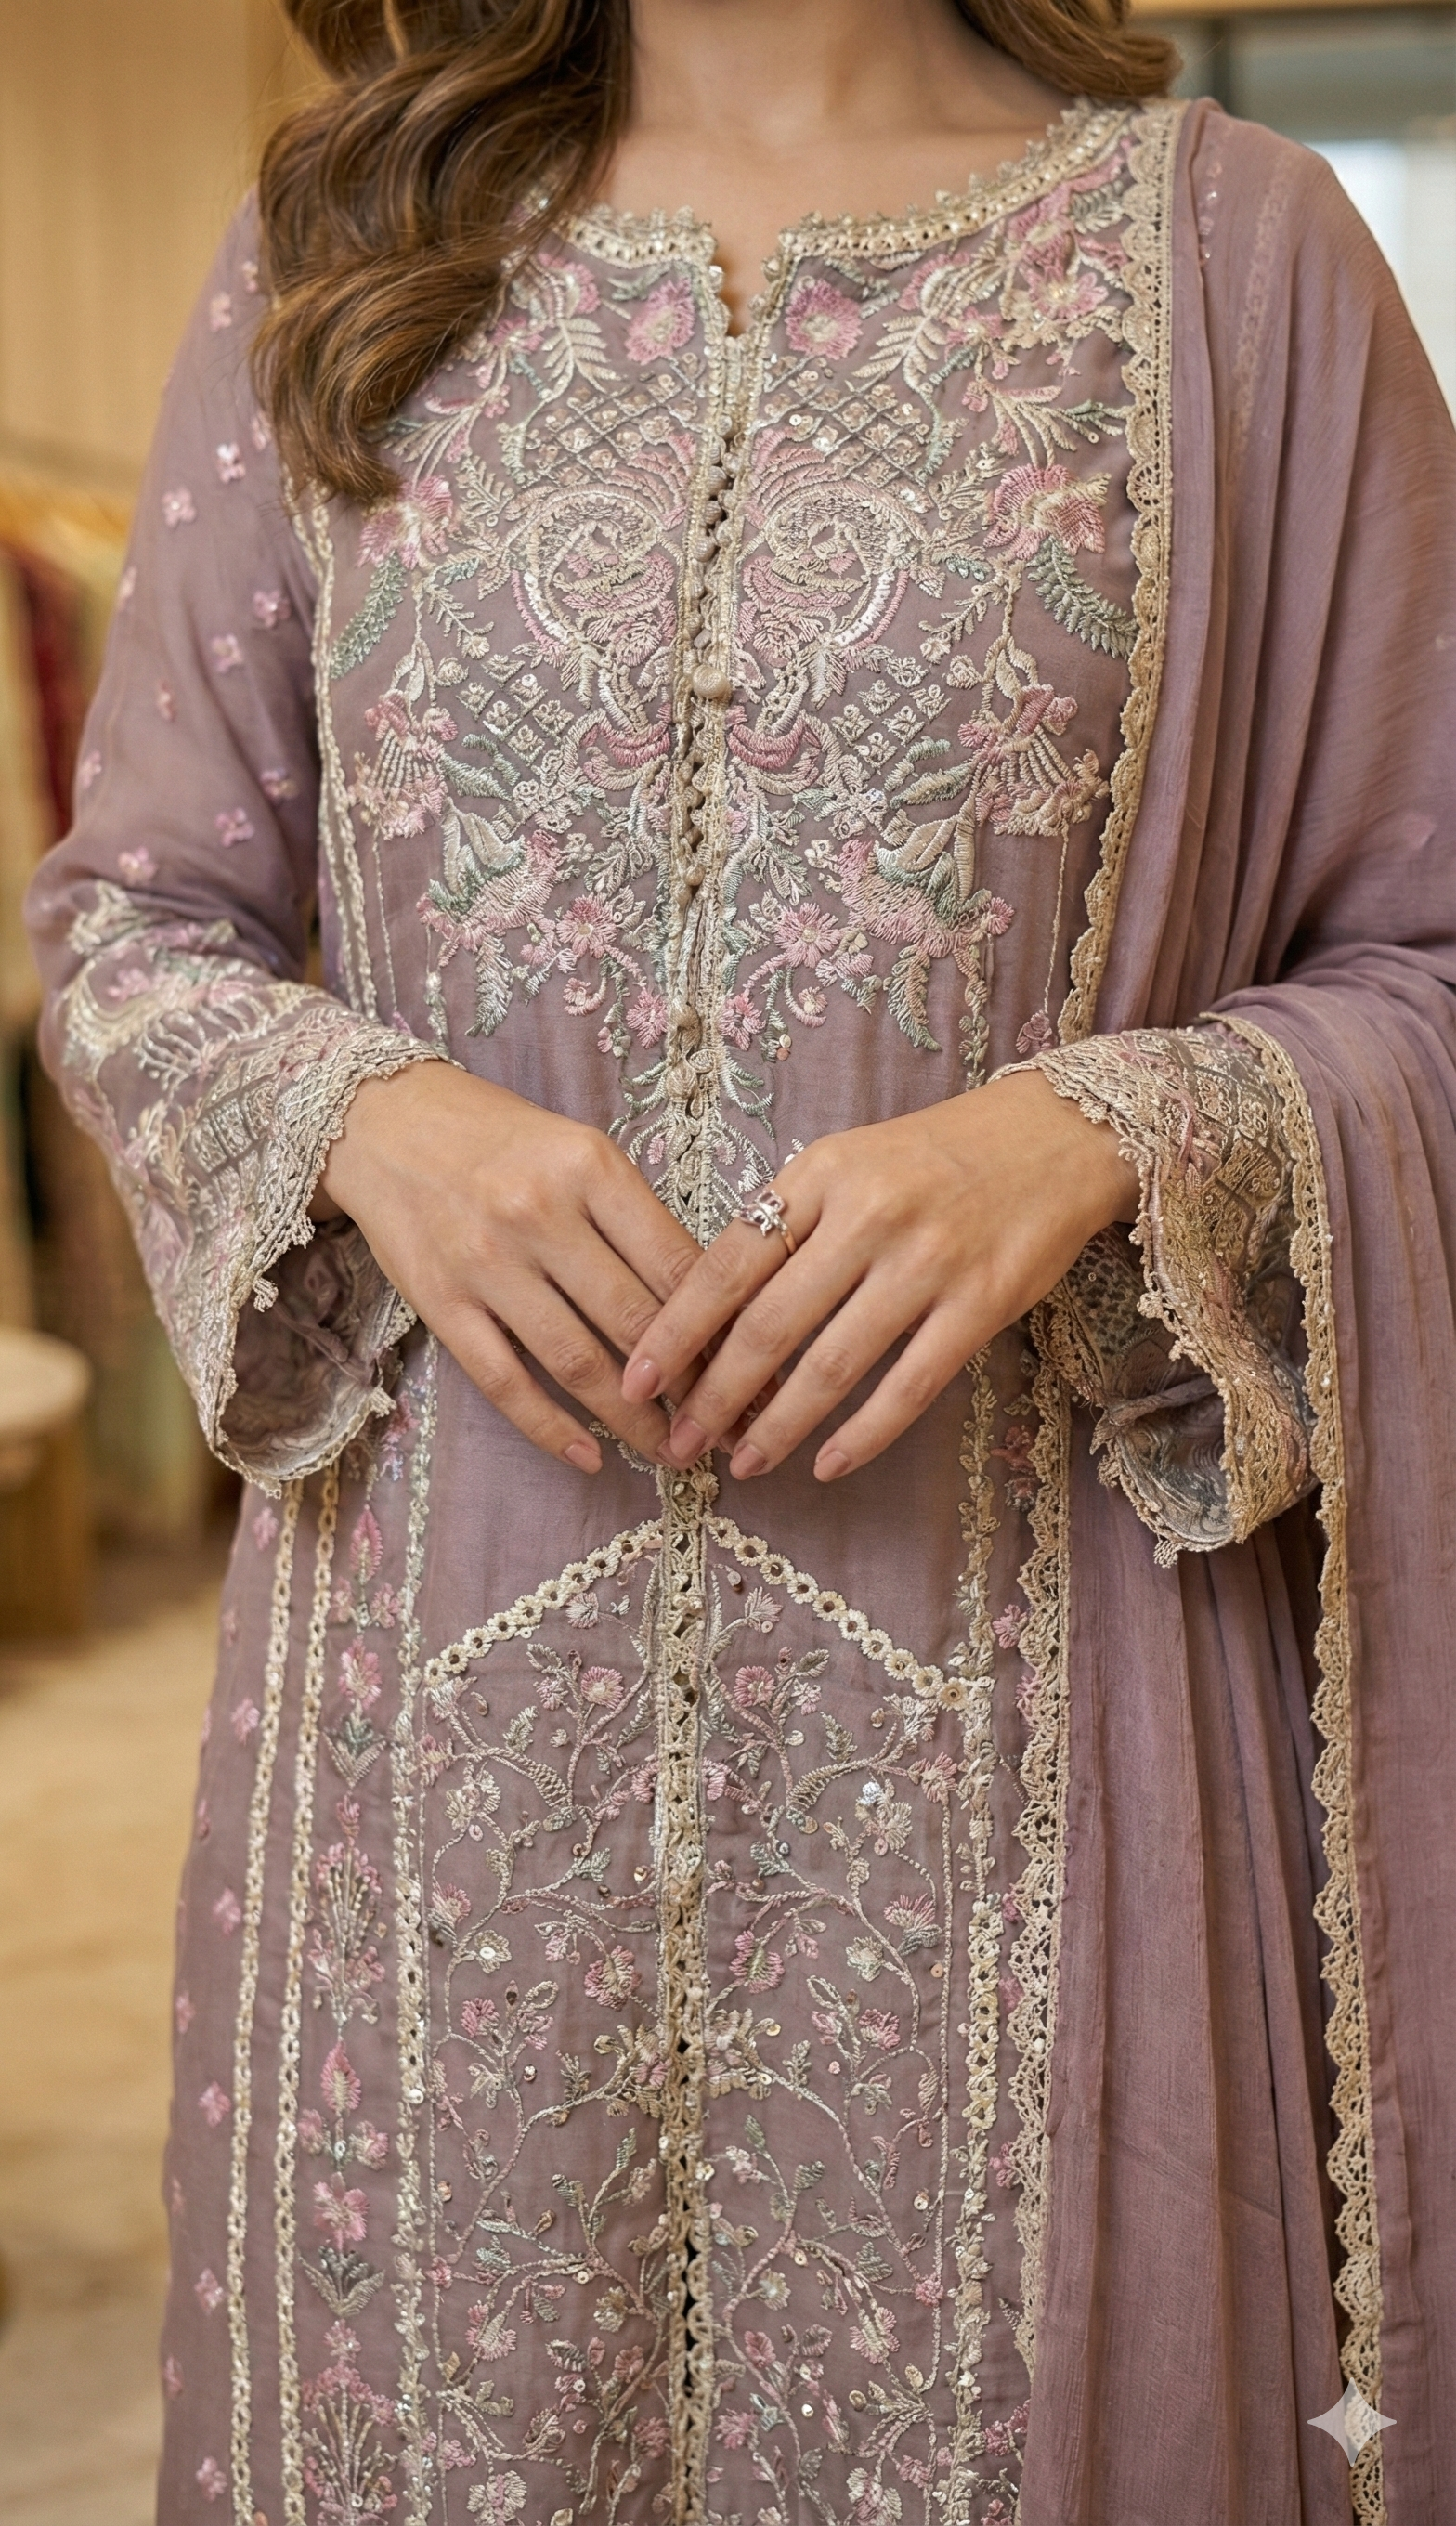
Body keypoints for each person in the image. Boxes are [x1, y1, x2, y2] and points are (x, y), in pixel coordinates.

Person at [25, 0, 1456, 2518]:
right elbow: (134, 923)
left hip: (1038, 1714)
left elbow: (1425, 961)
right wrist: (378, 1120)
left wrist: (1088, 1133)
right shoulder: (342, 250)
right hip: (436, 1737)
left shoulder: (1237, 266)